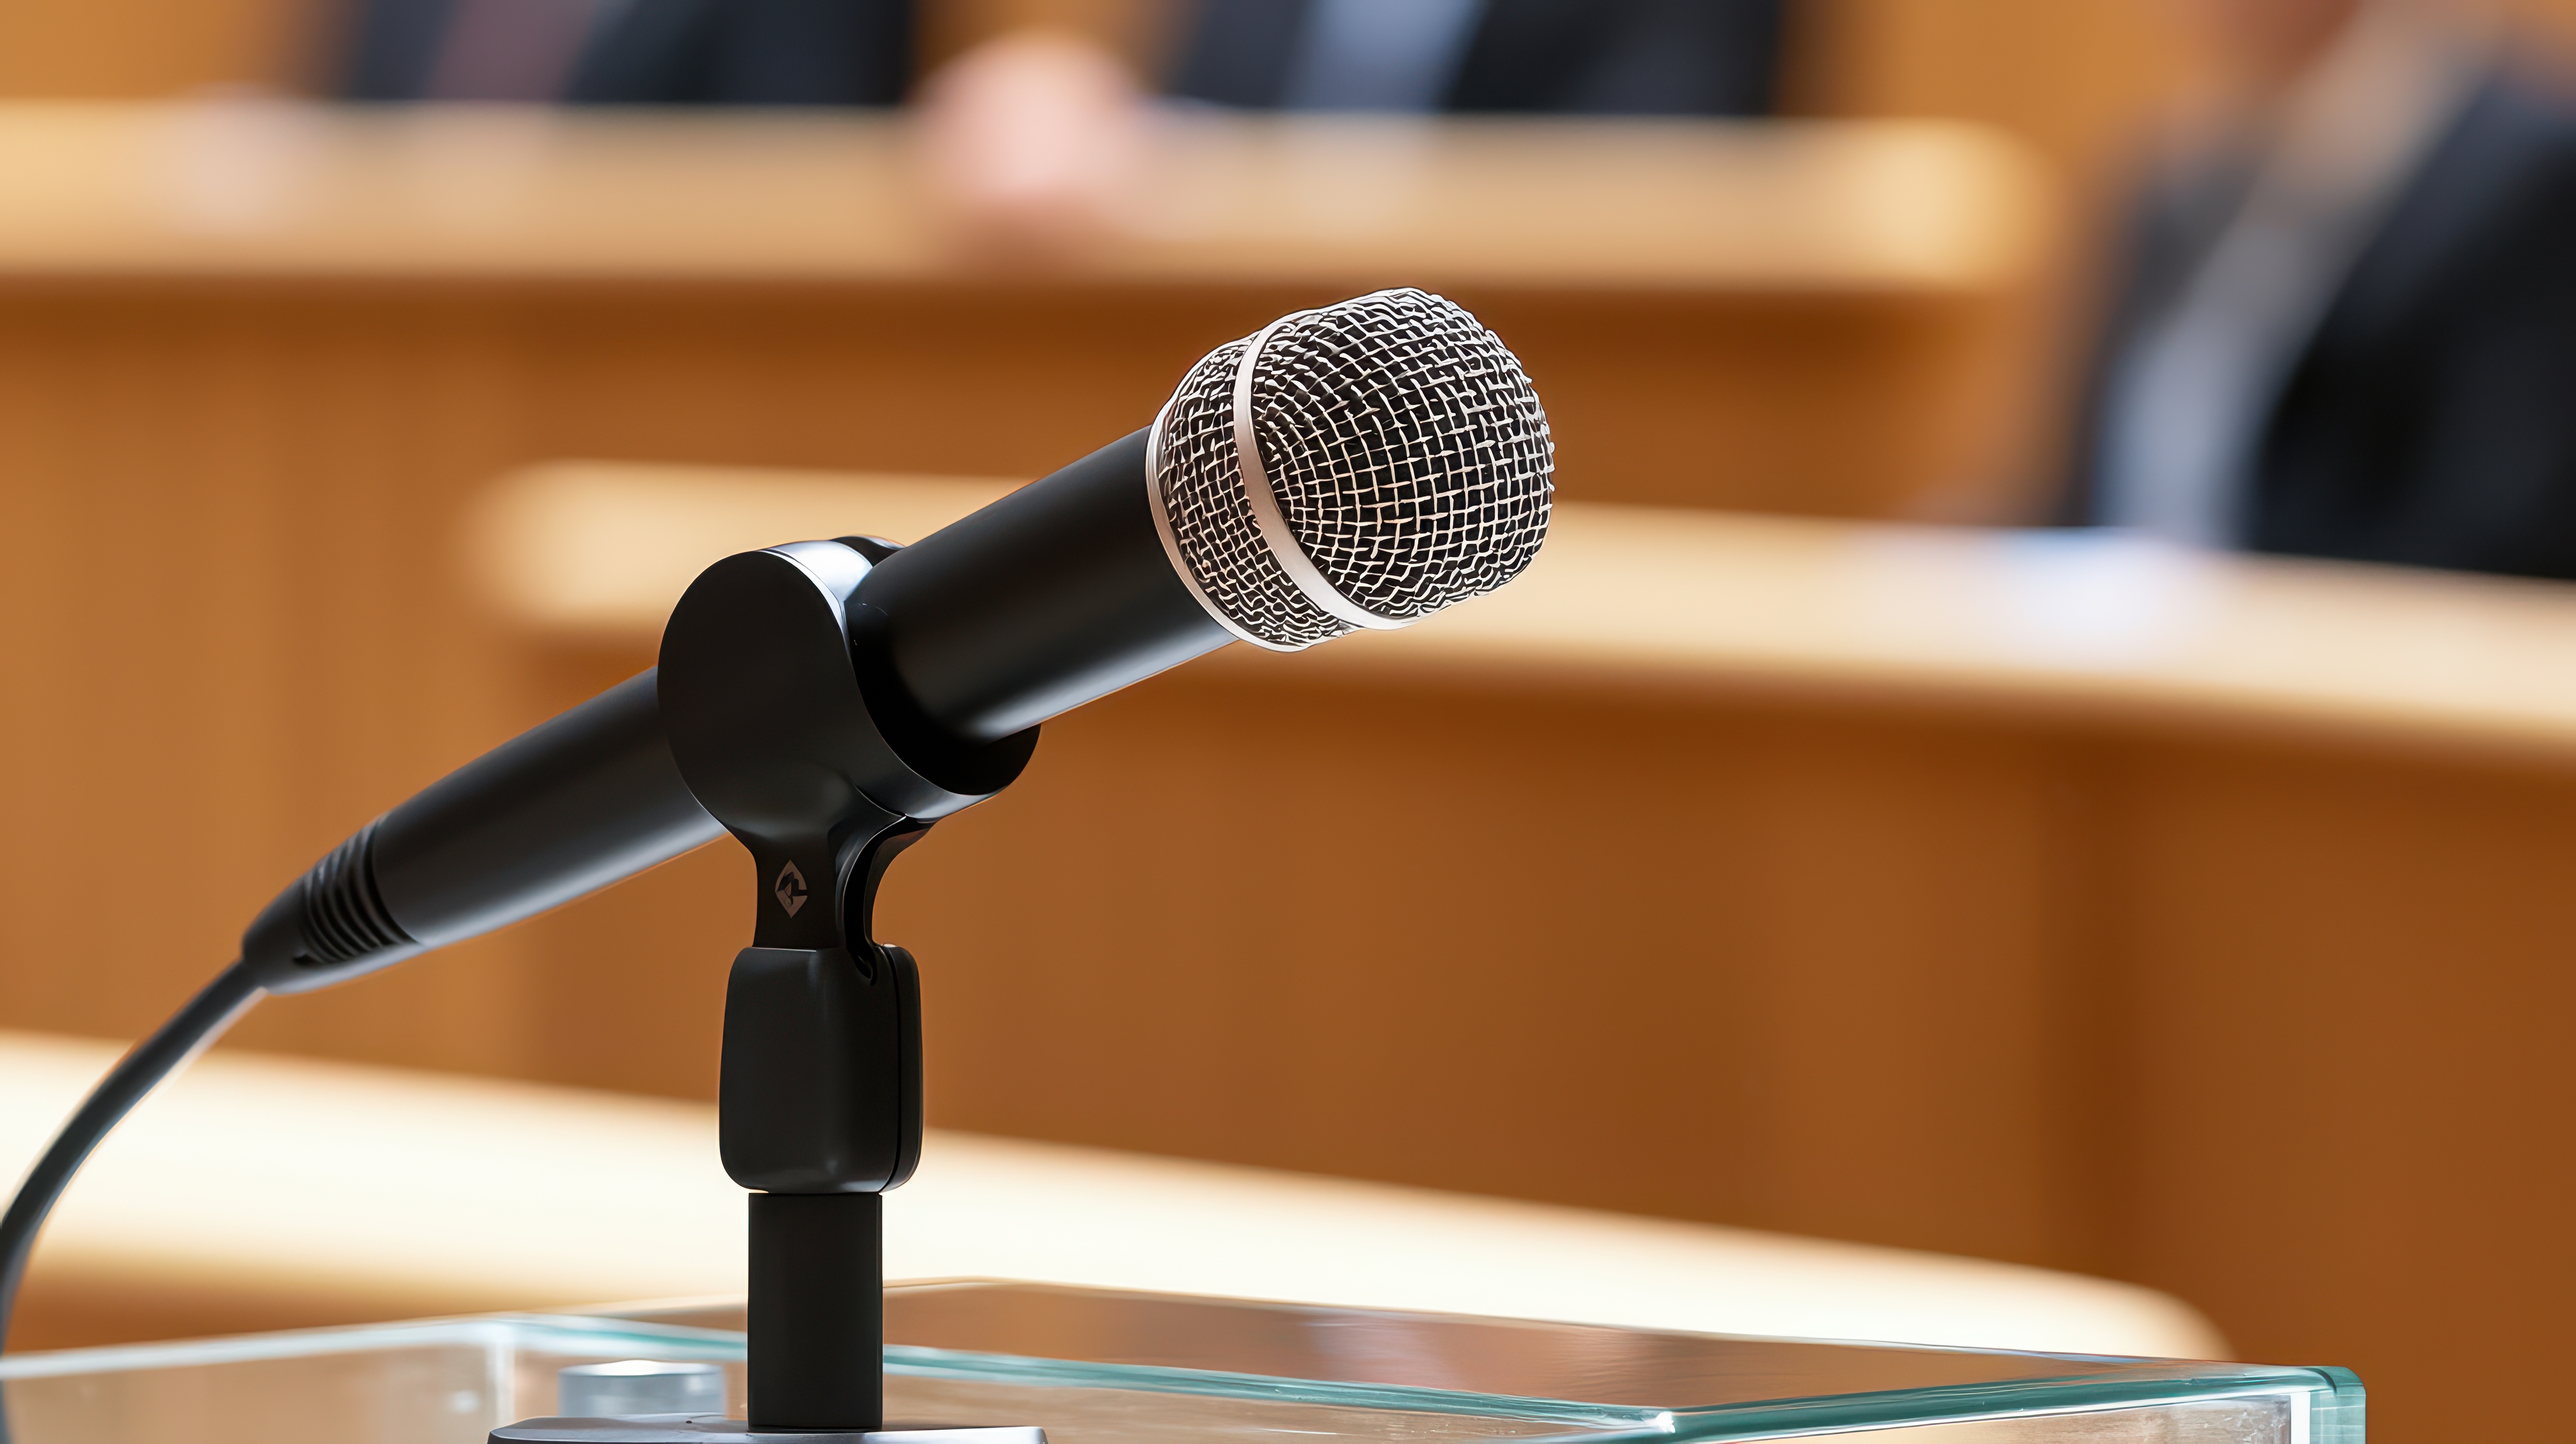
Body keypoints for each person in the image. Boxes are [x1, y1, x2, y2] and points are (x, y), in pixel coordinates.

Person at [2062, 0, 2576, 579]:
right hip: (2109, 648)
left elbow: (2496, 534)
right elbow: (2071, 498)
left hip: (2348, 651)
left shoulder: (2529, 174)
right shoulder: (2180, 181)